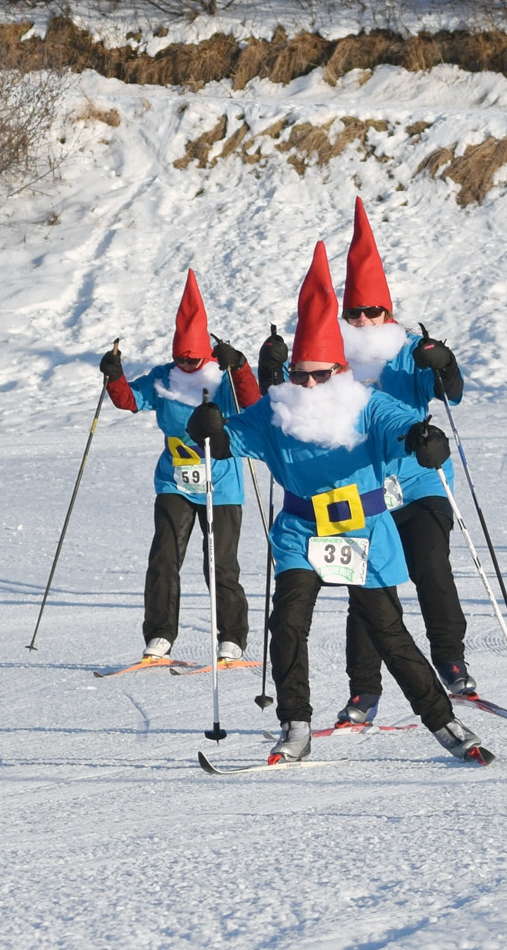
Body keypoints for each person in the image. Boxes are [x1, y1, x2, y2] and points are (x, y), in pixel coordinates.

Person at [189, 241, 491, 766]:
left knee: (387, 631)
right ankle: (295, 724)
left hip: (362, 529)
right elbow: (226, 439)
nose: (309, 384)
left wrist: (424, 437)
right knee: (287, 621)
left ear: (340, 370)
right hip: (301, 533)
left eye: (321, 374)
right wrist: (209, 430)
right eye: (301, 374)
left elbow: (403, 425)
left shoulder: (367, 404)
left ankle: (445, 723)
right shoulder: (277, 411)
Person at [336, 195, 472, 724]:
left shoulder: (408, 347)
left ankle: (451, 661)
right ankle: (363, 690)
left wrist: (444, 361)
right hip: (364, 489)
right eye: (355, 312)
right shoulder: (334, 357)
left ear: (388, 311)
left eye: (374, 310)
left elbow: (451, 393)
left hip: (421, 482)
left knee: (431, 566)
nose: (365, 319)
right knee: (367, 586)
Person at [99, 269, 261, 664]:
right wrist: (114, 376)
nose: (186, 365)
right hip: (174, 480)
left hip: (221, 484)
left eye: (192, 358)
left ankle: (232, 638)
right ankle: (159, 638)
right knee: (164, 560)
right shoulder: (163, 378)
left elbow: (252, 401)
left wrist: (238, 365)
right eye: (180, 358)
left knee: (219, 564)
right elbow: (128, 401)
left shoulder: (220, 380)